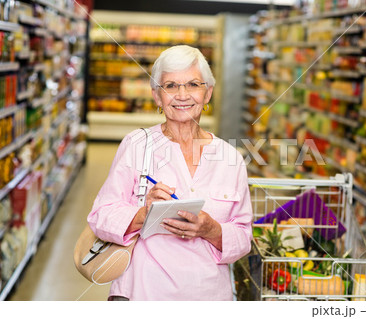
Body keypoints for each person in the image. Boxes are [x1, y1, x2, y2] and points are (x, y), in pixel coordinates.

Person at [87, 45, 253, 301]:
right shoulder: (136, 146)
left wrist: (211, 230)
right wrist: (144, 213)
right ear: (156, 96)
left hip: (208, 297)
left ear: (207, 93)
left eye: (193, 84)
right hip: (144, 294)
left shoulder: (230, 158)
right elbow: (100, 217)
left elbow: (243, 236)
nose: (182, 95)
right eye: (171, 86)